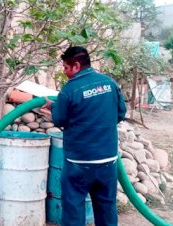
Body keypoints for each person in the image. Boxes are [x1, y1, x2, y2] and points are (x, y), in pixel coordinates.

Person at [43, 46, 127, 226]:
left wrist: (53, 106)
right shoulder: (110, 83)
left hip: (78, 164)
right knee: (107, 208)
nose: (65, 72)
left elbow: (59, 119)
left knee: (73, 211)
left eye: (66, 67)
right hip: (107, 161)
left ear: (76, 65)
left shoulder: (69, 90)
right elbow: (120, 114)